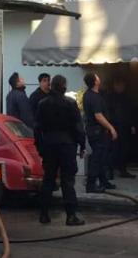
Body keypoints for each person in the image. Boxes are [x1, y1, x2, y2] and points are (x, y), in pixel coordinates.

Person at [34, 74, 86, 226]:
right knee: (67, 180)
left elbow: (37, 128)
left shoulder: (42, 103)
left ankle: (44, 214)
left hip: (49, 145)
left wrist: (40, 147)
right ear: (63, 86)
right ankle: (71, 215)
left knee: (48, 180)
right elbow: (78, 126)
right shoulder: (70, 103)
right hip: (67, 145)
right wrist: (82, 145)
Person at [82, 73, 117, 193]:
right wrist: (111, 128)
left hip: (95, 131)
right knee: (97, 158)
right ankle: (91, 185)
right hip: (97, 132)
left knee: (101, 157)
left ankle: (103, 181)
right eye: (97, 77)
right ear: (95, 81)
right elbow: (98, 116)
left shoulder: (90, 95)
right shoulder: (93, 97)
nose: (99, 77)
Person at [106, 77, 136, 179]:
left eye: (123, 85)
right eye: (120, 85)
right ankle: (110, 171)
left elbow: (129, 112)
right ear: (115, 85)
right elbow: (108, 113)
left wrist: (131, 124)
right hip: (114, 126)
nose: (122, 87)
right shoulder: (110, 97)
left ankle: (122, 170)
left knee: (124, 149)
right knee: (114, 149)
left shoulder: (126, 97)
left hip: (124, 126)